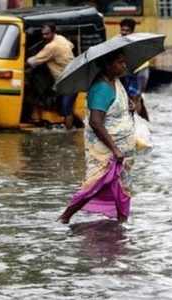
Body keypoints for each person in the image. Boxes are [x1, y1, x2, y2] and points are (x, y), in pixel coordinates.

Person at [58, 50, 136, 224]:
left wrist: (128, 106)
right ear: (108, 65)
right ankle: (65, 217)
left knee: (121, 186)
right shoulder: (101, 88)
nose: (124, 65)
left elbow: (116, 107)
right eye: (119, 62)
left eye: (124, 62)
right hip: (106, 149)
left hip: (121, 149)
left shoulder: (115, 82)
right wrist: (114, 149)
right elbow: (96, 122)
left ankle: (122, 222)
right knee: (94, 184)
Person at [26, 23, 76, 130]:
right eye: (43, 34)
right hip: (70, 77)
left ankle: (69, 134)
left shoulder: (51, 46)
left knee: (66, 108)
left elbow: (34, 61)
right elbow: (72, 45)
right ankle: (67, 129)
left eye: (47, 34)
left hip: (68, 80)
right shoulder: (61, 39)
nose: (44, 37)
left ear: (53, 32)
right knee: (66, 107)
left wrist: (23, 61)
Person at [118, 18, 150, 121]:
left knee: (135, 97)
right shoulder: (118, 41)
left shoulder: (137, 41)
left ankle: (136, 121)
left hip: (140, 70)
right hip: (128, 71)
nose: (124, 32)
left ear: (132, 31)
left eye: (127, 30)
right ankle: (138, 118)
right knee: (128, 97)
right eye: (122, 30)